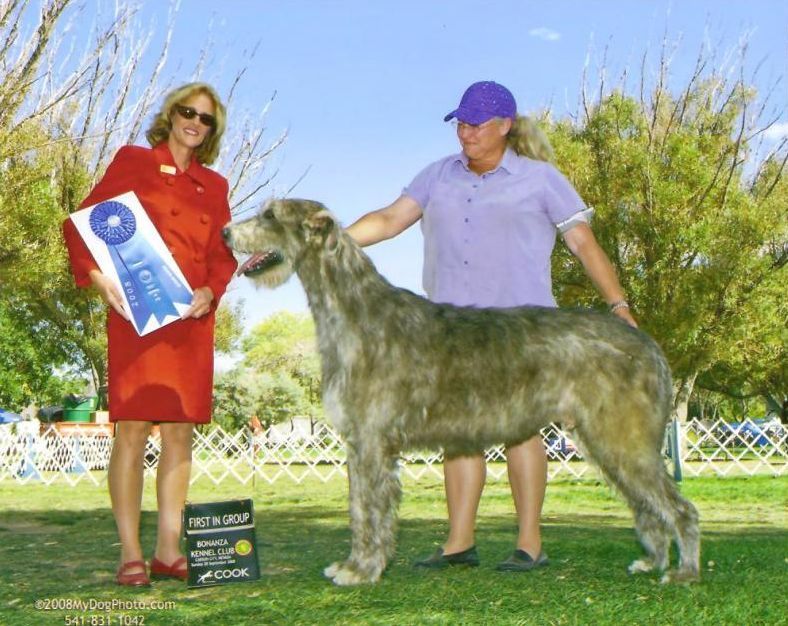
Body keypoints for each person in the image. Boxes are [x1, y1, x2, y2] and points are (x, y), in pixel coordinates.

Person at [345, 81, 636, 572]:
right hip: (450, 330)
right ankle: (459, 543)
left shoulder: (541, 179)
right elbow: (391, 219)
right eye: (460, 122)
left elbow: (583, 244)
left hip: (521, 329)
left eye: (476, 123)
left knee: (521, 432)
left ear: (505, 125)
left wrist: (618, 305)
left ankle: (529, 544)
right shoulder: (437, 176)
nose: (466, 132)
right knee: (459, 433)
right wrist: (331, 241)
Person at [62, 83, 237, 586]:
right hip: (136, 319)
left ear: (211, 131)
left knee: (180, 435)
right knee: (133, 431)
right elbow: (81, 225)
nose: (194, 123)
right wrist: (97, 279)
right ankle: (131, 554)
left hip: (190, 324)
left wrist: (211, 290)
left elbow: (223, 254)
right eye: (188, 112)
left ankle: (168, 549)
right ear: (172, 114)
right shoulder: (134, 161)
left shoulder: (216, 185)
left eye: (205, 119)